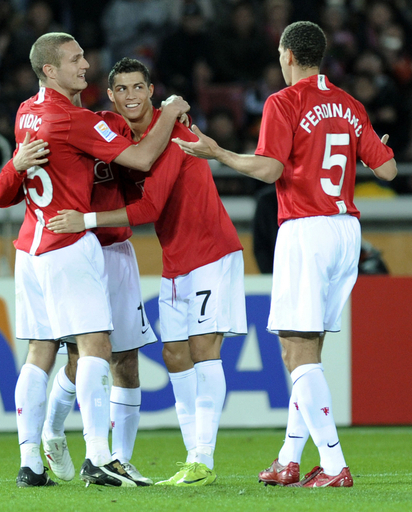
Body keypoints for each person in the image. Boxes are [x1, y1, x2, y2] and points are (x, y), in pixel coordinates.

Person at [172, 21, 397, 488]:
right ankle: (289, 458)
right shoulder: (350, 104)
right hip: (346, 231)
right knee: (307, 349)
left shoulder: (284, 101)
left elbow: (270, 167)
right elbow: (390, 169)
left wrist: (219, 153)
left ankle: (333, 465)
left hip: (306, 228)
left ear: (288, 55)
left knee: (297, 353)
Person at [0, 32, 189, 488]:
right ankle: (99, 457)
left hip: (31, 247)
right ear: (49, 70)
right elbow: (140, 158)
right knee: (95, 348)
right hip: (69, 245)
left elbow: (2, 194)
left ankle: (31, 463)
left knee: (41, 351)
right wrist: (172, 112)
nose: (86, 64)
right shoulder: (71, 118)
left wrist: (16, 163)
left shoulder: (26, 112)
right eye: (75, 59)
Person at [46, 57, 247, 487]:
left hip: (212, 252)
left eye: (139, 87)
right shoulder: (127, 140)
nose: (131, 96)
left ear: (151, 91)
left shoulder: (174, 133)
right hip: (176, 259)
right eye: (122, 89)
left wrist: (85, 220)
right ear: (113, 96)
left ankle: (203, 460)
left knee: (204, 348)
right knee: (174, 355)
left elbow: (151, 207)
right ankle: (190, 457)